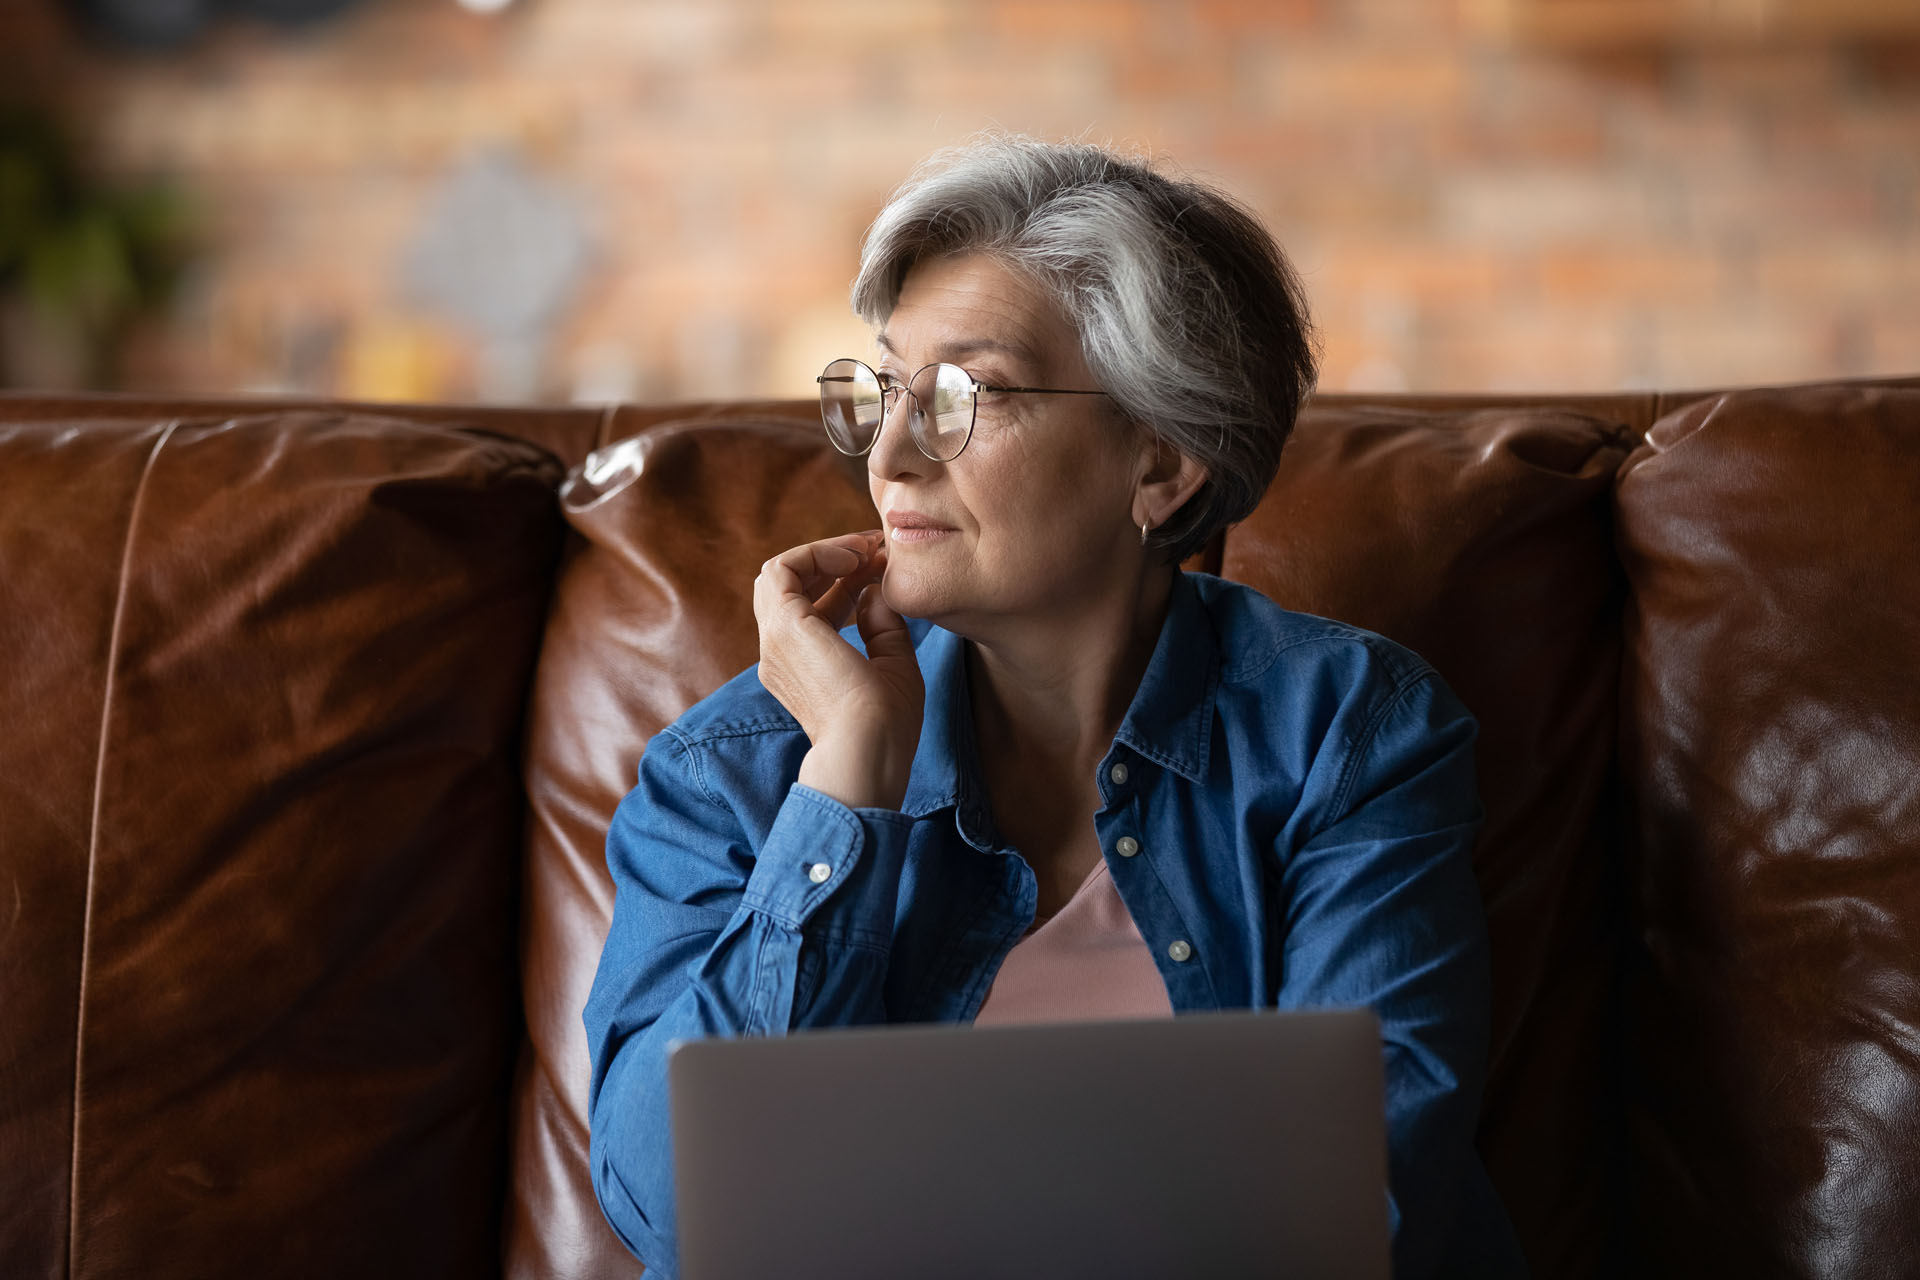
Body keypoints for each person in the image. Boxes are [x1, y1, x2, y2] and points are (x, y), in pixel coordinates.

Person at [583, 134, 1527, 1279]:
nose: (889, 456)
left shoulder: (1347, 733)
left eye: (964, 395)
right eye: (885, 389)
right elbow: (669, 1208)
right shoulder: (733, 768)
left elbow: (1367, 1197)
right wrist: (845, 789)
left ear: (1161, 463)